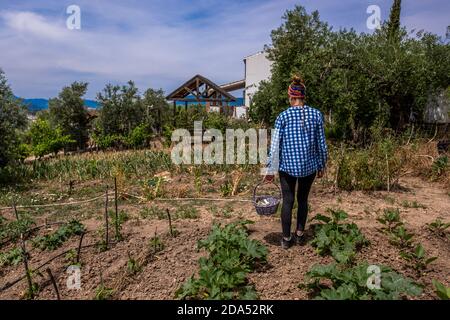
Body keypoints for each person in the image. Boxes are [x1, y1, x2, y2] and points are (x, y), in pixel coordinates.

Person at [265, 75, 328, 249]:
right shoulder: (316, 115)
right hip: (309, 166)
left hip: (287, 167)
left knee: (288, 200)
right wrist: (322, 165)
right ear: (303, 96)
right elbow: (321, 144)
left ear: (291, 97)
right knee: (303, 199)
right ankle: (300, 235)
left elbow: (275, 145)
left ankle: (286, 239)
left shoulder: (282, 117)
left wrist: (270, 169)